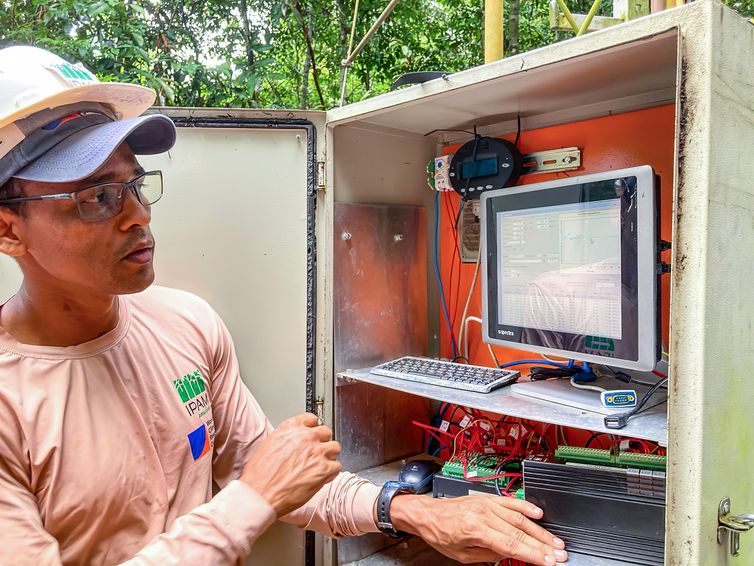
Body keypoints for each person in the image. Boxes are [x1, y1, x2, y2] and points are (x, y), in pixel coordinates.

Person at [0, 46, 568, 566]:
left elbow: (274, 473)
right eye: (96, 197)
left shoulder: (185, 324)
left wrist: (415, 511)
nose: (138, 215)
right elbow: (262, 486)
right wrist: (251, 499)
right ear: (9, 230)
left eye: (136, 184)